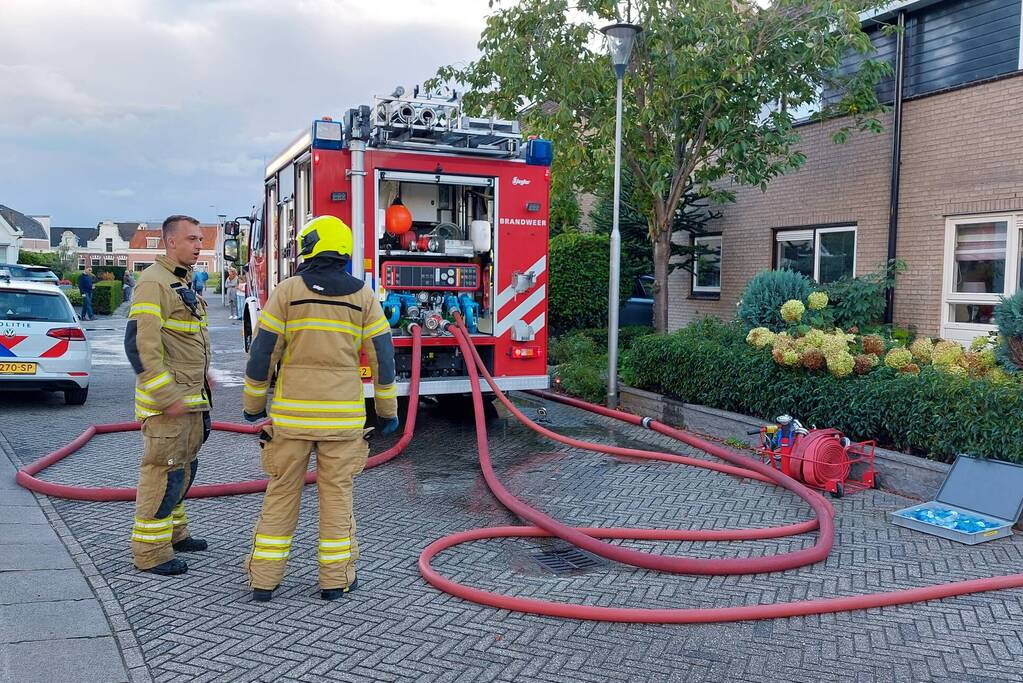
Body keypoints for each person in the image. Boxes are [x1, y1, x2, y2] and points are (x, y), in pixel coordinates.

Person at [242, 215, 399, 602]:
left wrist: (252, 404)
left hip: (292, 422)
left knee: (280, 495)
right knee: (337, 498)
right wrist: (387, 410)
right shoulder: (363, 296)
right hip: (343, 422)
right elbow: (383, 357)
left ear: (309, 247)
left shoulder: (287, 292)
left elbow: (262, 352)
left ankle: (264, 580)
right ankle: (336, 580)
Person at [123, 215, 212, 576]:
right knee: (162, 475)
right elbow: (139, 347)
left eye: (200, 238)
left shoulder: (180, 281)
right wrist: (166, 398)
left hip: (190, 401)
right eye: (191, 238)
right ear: (170, 242)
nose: (198, 244)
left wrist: (204, 378)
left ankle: (175, 534)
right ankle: (150, 553)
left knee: (183, 469)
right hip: (169, 408)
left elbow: (183, 341)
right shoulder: (154, 283)